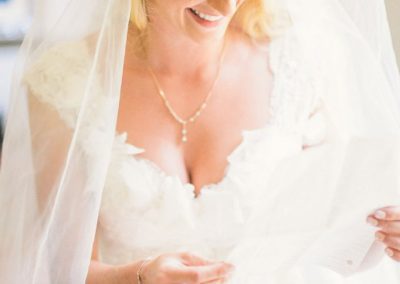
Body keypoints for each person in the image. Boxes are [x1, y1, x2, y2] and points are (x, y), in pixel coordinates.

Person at [1, 0, 400, 283]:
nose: (226, 6)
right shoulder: (66, 83)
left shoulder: (304, 59)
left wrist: (387, 235)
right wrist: (137, 278)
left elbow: (338, 239)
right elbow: (58, 267)